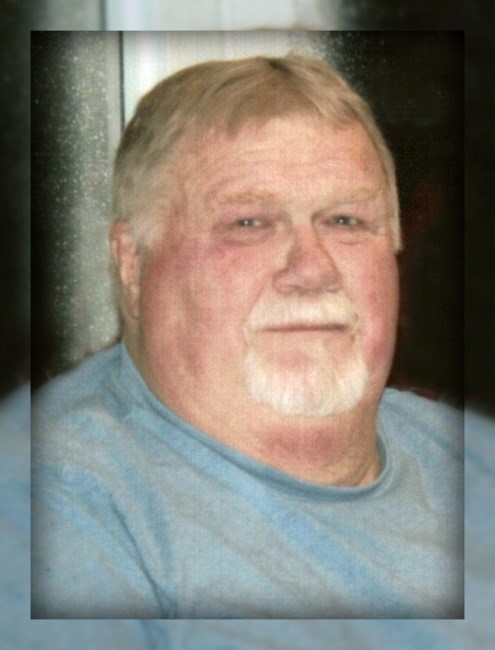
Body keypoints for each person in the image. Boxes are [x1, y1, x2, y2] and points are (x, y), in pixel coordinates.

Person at [32, 55, 462, 619]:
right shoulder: (61, 507)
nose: (313, 269)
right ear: (133, 265)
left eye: (345, 221)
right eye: (249, 223)